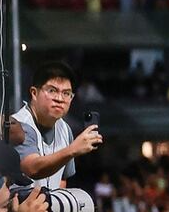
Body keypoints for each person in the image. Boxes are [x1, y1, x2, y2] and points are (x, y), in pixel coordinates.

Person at [13, 60, 102, 190]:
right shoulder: (18, 125)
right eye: (52, 91)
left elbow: (62, 179)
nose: (59, 99)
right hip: (19, 202)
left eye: (66, 93)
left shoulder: (65, 128)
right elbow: (32, 169)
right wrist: (72, 149)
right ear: (34, 93)